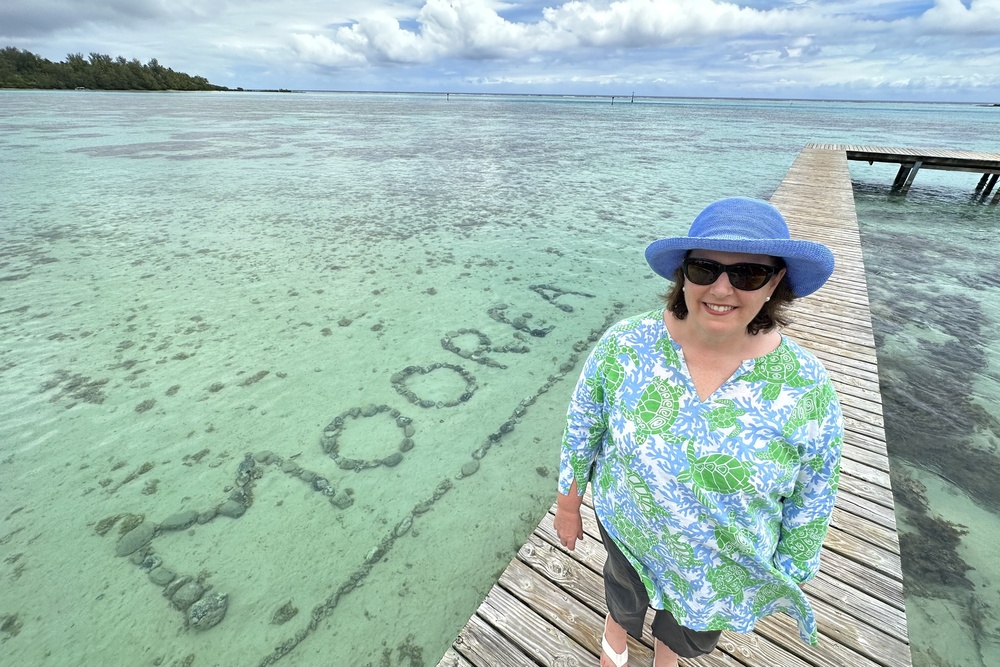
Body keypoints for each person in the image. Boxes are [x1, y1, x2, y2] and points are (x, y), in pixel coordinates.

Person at [554, 197, 844, 667]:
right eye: (705, 269)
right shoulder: (626, 345)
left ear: (775, 284)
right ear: (683, 276)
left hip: (721, 562)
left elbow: (815, 491)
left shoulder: (806, 385)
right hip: (630, 525)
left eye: (748, 274)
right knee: (624, 594)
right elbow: (582, 427)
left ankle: (664, 656)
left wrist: (789, 570)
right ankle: (618, 639)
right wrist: (568, 504)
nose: (722, 289)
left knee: (689, 631)